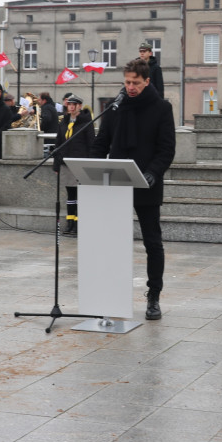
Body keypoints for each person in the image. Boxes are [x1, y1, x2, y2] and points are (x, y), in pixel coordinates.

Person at [92, 59, 175, 320]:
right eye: (127, 82)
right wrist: (91, 168)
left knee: (152, 242)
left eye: (135, 83)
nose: (130, 87)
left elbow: (166, 148)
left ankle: (153, 295)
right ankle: (113, 293)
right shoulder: (115, 107)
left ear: (147, 81)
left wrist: (153, 172)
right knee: (113, 242)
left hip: (146, 184)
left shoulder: (162, 108)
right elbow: (101, 143)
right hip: (116, 183)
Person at [52, 94, 93, 235]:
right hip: (65, 163)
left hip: (80, 163)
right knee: (70, 194)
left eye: (74, 104)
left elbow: (91, 144)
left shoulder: (86, 122)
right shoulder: (64, 122)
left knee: (80, 194)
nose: (71, 107)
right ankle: (70, 222)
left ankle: (78, 223)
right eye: (69, 104)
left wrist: (90, 163)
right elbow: (58, 144)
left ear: (79, 106)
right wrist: (56, 165)